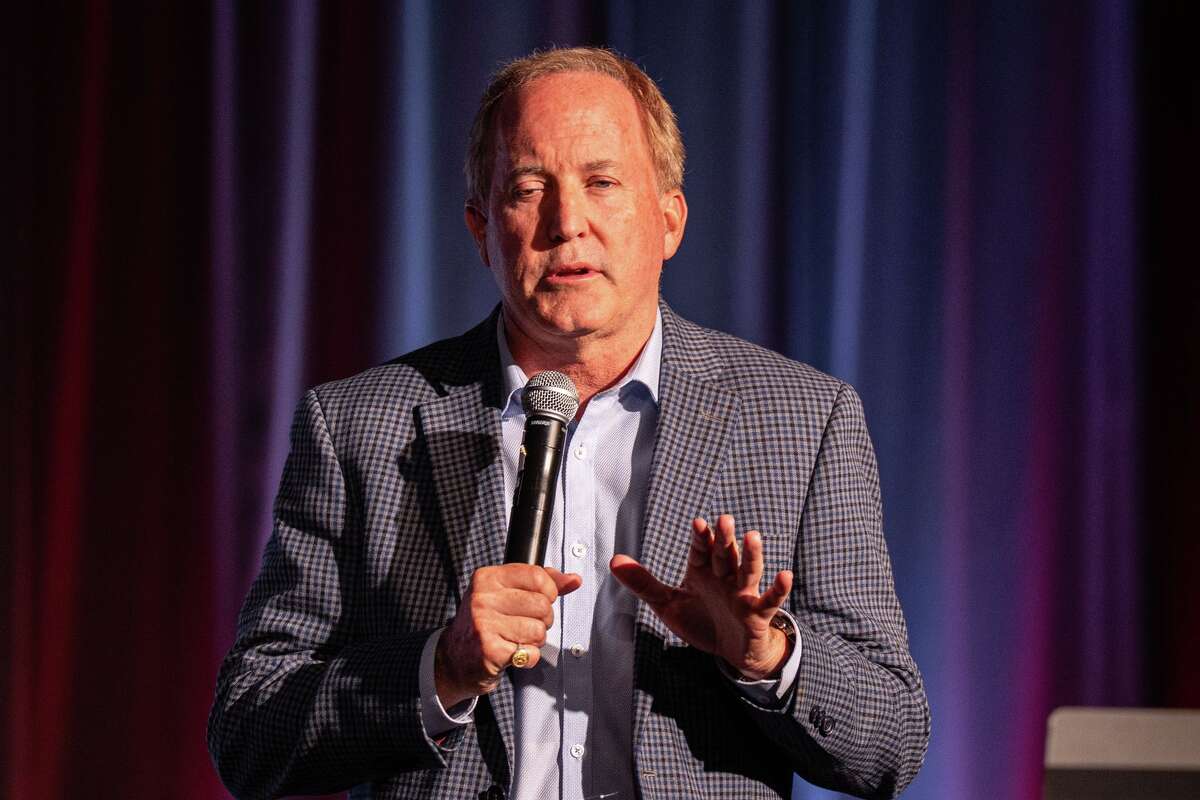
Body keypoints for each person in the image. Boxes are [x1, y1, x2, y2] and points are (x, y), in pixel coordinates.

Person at [208, 46, 929, 800]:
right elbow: (251, 730)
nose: (567, 222)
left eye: (602, 182)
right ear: (481, 229)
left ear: (670, 218)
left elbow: (892, 742)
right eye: (527, 188)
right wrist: (440, 668)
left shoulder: (804, 420)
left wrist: (767, 655)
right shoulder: (358, 426)